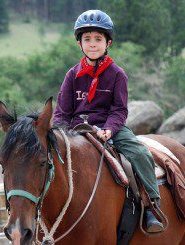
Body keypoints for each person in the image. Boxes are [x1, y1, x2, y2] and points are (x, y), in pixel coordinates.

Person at [53, 9, 163, 233]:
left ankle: (151, 206)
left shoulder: (117, 74)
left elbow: (119, 110)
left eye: (98, 39)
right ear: (80, 43)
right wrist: (57, 133)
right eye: (87, 39)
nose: (93, 44)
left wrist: (109, 130)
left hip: (109, 127)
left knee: (140, 154)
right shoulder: (71, 75)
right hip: (76, 130)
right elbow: (62, 112)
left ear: (108, 42)